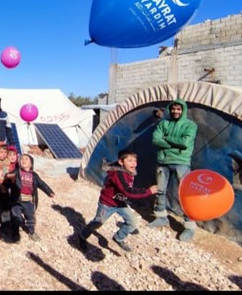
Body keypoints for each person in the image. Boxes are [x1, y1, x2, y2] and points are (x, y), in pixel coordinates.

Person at [78, 150, 158, 252]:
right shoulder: (118, 174)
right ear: (121, 162)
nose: (133, 163)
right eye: (130, 160)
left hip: (120, 203)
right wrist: (149, 191)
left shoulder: (129, 172)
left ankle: (118, 238)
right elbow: (128, 191)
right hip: (107, 204)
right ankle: (82, 236)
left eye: (135, 160)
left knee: (132, 222)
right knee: (97, 223)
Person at [149, 98, 199, 242]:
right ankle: (161, 217)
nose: (175, 111)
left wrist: (167, 138)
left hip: (181, 162)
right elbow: (155, 140)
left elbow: (185, 143)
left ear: (183, 110)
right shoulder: (163, 123)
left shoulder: (190, 125)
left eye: (178, 109)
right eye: (173, 109)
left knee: (186, 193)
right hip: (163, 161)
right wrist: (174, 143)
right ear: (170, 109)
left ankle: (189, 226)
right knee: (160, 190)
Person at [6, 154, 55, 242]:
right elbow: (8, 176)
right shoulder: (17, 172)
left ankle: (31, 231)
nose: (23, 160)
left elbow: (41, 183)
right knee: (15, 217)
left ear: (31, 164)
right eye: (21, 159)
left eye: (26, 159)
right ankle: (15, 234)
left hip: (28, 201)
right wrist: (8, 176)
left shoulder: (34, 175)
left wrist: (49, 192)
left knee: (30, 217)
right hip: (16, 200)